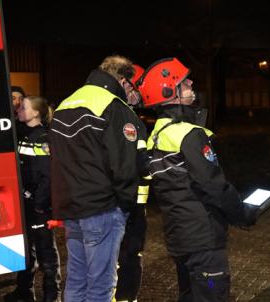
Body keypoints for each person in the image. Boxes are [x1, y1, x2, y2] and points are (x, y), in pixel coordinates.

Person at [138, 57, 258, 302]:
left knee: (190, 294)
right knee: (212, 291)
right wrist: (243, 214)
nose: (191, 82)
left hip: (180, 238)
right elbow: (213, 185)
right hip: (204, 241)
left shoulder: (157, 137)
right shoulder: (189, 135)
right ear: (170, 92)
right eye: (183, 81)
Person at [49, 55, 144, 302]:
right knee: (101, 286)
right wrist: (125, 205)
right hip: (102, 208)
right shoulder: (114, 107)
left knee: (77, 280)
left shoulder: (65, 104)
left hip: (71, 207)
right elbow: (123, 166)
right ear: (123, 80)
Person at [4, 96, 61, 302]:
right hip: (26, 204)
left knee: (47, 256)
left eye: (23, 107)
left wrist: (39, 205)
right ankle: (24, 292)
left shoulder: (43, 139)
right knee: (27, 251)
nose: (19, 109)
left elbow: (48, 177)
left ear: (36, 113)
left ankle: (52, 297)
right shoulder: (25, 135)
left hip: (39, 207)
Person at [114, 64, 150, 302]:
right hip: (128, 205)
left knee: (127, 256)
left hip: (131, 205)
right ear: (125, 85)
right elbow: (142, 166)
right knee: (127, 257)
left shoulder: (128, 119)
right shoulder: (128, 121)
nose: (141, 95)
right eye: (138, 88)